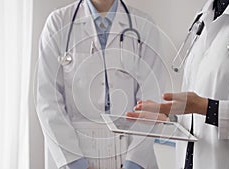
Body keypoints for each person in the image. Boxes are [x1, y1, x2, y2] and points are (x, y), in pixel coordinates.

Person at [127, 0, 229, 169]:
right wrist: (170, 117)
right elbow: (198, 102)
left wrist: (208, 108)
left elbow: (203, 105)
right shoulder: (205, 13)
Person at [36, 0, 166, 169]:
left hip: (129, 151)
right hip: (75, 153)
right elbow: (47, 99)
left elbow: (152, 99)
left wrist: (134, 163)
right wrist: (76, 164)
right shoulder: (58, 22)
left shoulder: (144, 26)